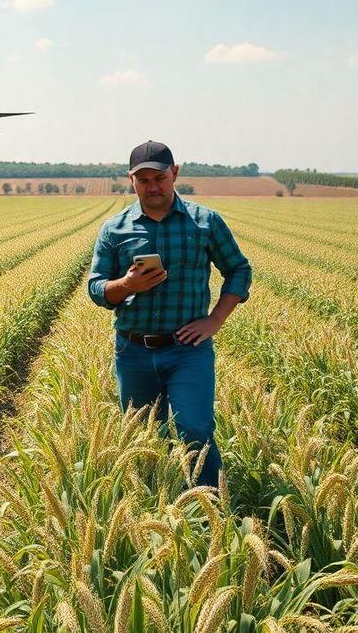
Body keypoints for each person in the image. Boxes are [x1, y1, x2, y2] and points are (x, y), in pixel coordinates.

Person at [87, 140, 251, 488]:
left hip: (187, 349)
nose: (152, 187)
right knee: (143, 436)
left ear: (174, 174)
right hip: (133, 351)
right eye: (143, 179)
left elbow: (238, 269)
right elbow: (96, 288)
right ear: (131, 180)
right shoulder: (114, 230)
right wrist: (128, 285)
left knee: (194, 428)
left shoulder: (205, 222)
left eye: (159, 178)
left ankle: (211, 510)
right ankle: (153, 503)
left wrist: (215, 320)